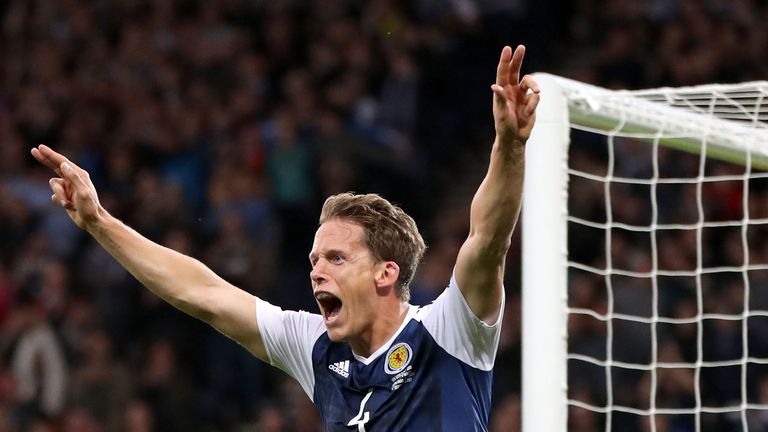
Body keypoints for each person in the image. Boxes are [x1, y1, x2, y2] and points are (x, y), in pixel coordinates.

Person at [31, 44, 540, 431]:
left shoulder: (449, 331)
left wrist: (509, 148)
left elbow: (487, 238)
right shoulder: (316, 346)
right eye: (315, 258)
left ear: (387, 272)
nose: (317, 270)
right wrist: (100, 222)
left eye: (337, 258)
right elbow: (204, 294)